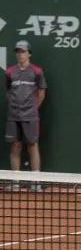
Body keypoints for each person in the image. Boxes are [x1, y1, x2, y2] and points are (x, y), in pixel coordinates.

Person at [5, 40, 47, 175]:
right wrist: (14, 106)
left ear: (29, 53)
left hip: (30, 115)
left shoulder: (37, 71)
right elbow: (8, 92)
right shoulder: (9, 72)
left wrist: (33, 108)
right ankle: (15, 182)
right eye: (17, 52)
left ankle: (36, 182)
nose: (20, 55)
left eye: (22, 52)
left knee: (32, 146)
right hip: (14, 116)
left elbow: (41, 92)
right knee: (15, 146)